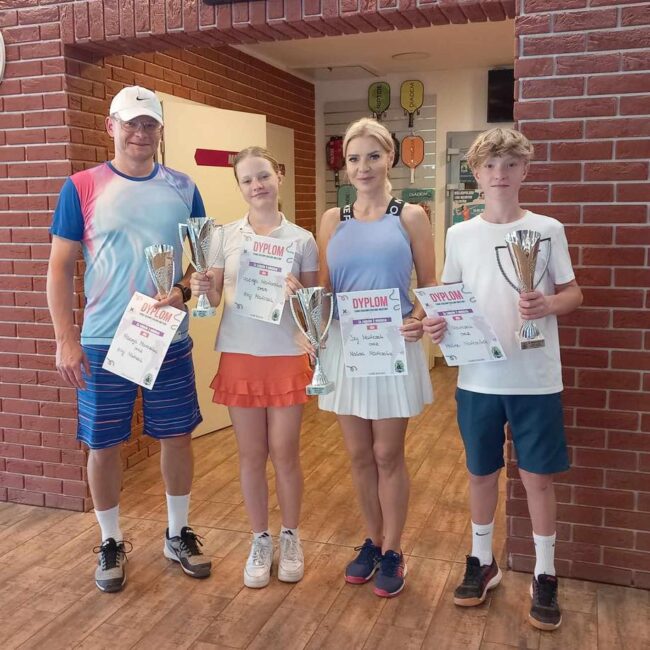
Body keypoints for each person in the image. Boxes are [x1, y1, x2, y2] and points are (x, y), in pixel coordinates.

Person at [46, 85, 212, 593]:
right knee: (103, 445)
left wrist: (184, 291)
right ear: (111, 127)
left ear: (160, 130)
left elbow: (203, 264)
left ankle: (177, 533)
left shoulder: (184, 187)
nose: (141, 133)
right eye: (131, 123)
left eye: (150, 125)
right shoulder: (81, 187)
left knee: (176, 436)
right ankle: (110, 540)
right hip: (102, 342)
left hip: (168, 340)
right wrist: (66, 338)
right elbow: (59, 268)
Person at [424, 127, 582, 630]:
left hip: (536, 378)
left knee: (537, 478)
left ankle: (545, 572)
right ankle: (481, 560)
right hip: (478, 380)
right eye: (490, 165)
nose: (500, 174)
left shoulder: (548, 228)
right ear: (475, 173)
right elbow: (448, 301)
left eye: (511, 164)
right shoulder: (459, 235)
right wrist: (436, 324)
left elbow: (573, 293)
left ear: (525, 170)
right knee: (480, 473)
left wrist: (548, 304)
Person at [316, 118, 436, 598]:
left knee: (388, 453)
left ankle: (393, 549)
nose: (362, 167)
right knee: (359, 454)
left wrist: (419, 316)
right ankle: (371, 540)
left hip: (391, 348)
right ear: (344, 166)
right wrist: (304, 308)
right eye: (353, 158)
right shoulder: (332, 220)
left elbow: (429, 284)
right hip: (346, 347)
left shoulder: (411, 217)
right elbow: (325, 291)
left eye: (372, 156)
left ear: (390, 158)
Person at [189, 147, 319, 588]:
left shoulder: (302, 239)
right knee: (250, 454)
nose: (256, 185)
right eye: (247, 180)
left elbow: (314, 311)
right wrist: (203, 286)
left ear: (279, 175)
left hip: (285, 355)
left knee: (285, 452)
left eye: (263, 175)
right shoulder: (224, 236)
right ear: (240, 187)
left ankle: (291, 536)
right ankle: (260, 538)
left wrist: (299, 294)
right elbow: (211, 301)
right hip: (241, 355)